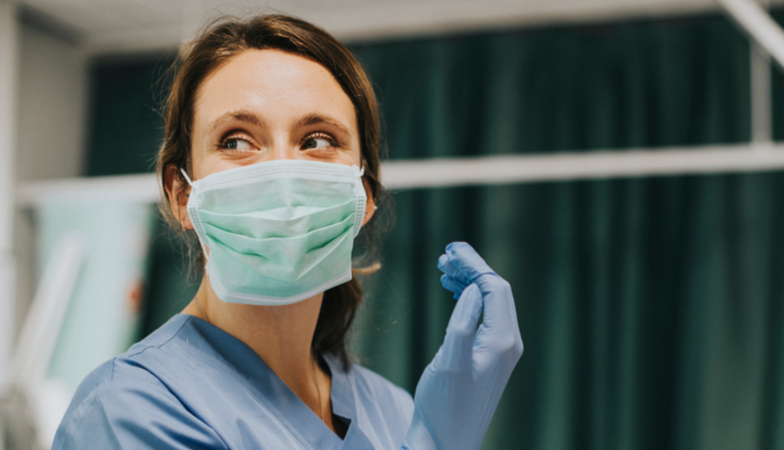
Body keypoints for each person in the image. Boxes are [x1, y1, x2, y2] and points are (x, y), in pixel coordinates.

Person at [51, 14, 523, 449]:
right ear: (182, 194)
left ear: (364, 196)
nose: (282, 174)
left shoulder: (394, 411)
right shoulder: (129, 411)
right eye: (236, 140)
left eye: (317, 140)